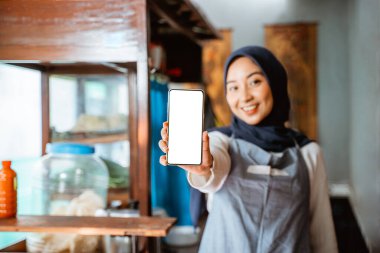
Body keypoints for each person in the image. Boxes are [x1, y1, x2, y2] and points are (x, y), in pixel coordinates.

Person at [158, 46, 338, 253]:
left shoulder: (309, 153)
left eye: (254, 82)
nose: (244, 97)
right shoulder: (220, 140)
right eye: (233, 87)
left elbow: (322, 232)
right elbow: (216, 164)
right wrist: (204, 168)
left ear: (275, 83)